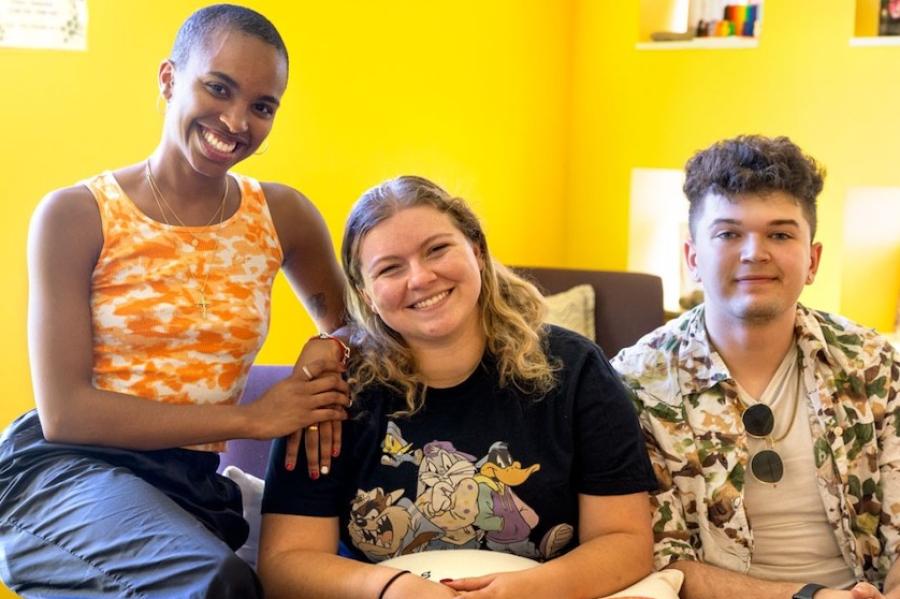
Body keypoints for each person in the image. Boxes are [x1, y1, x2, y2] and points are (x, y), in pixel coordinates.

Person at [0, 5, 351, 597]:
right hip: (66, 474)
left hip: (192, 486)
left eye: (262, 107)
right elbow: (67, 414)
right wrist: (251, 419)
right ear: (168, 79)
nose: (236, 121)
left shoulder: (282, 215)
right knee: (215, 583)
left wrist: (326, 347)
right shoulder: (75, 214)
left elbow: (353, 330)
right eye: (218, 88)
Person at [258, 175, 658, 599]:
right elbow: (285, 562)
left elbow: (625, 542)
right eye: (390, 268)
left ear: (478, 251)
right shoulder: (331, 392)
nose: (421, 278)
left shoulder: (575, 370)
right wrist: (389, 589)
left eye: (437, 249)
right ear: (366, 294)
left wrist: (527, 592)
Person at [612, 135, 900, 599]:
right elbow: (661, 559)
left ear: (812, 260)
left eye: (780, 234)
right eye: (728, 234)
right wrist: (811, 597)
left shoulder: (872, 364)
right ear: (692, 260)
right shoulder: (635, 385)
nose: (754, 253)